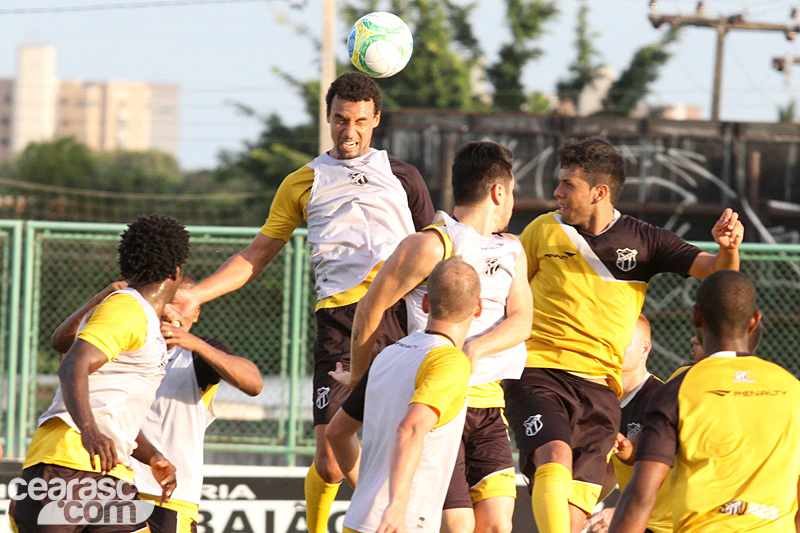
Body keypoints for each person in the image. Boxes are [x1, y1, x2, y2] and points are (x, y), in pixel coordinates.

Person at [176, 71, 435, 533]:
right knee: (332, 458)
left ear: (376, 120)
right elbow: (255, 256)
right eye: (339, 120)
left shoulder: (404, 177)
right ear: (327, 117)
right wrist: (197, 291)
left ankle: (390, 518)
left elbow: (433, 249)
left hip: (399, 318)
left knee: (397, 439)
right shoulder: (304, 181)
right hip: (340, 320)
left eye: (359, 121)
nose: (349, 131)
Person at [504, 137, 745, 533]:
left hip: (601, 390)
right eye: (559, 182)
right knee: (554, 455)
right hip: (540, 371)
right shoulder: (541, 230)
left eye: (568, 184)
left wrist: (729, 248)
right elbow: (510, 298)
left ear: (599, 192)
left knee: (570, 517)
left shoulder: (646, 241)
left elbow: (719, 274)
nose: (557, 192)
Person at [330, 140, 532, 533]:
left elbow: (523, 320)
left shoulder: (511, 249)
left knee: (497, 525)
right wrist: (359, 373)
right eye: (512, 193)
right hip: (437, 399)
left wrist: (473, 350)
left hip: (489, 400)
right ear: (498, 192)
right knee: (455, 525)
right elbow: (370, 307)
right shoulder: (431, 243)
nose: (512, 204)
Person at [10, 214, 190, 532]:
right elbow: (72, 364)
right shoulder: (127, 309)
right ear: (176, 271)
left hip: (109, 470)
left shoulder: (137, 315)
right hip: (69, 461)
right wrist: (89, 430)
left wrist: (153, 456)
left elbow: (114, 404)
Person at [52, 275, 264, 533]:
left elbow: (253, 383)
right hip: (109, 484)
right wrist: (101, 297)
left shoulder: (195, 355)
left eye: (180, 303)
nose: (169, 310)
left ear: (197, 312)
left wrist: (192, 342)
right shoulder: (121, 344)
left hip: (167, 499)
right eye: (166, 301)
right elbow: (63, 344)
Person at [608, 270, 800, 532]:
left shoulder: (677, 391)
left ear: (697, 316)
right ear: (754, 321)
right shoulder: (792, 388)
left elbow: (641, 496)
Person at [332, 257, 481, 533]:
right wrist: (396, 507)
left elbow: (337, 432)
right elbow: (411, 428)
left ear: (426, 304)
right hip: (402, 523)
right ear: (478, 308)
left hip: (359, 520)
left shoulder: (389, 354)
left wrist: (368, 491)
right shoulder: (451, 361)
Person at [584, 315, 671, 533]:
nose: (614, 348)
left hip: (671, 524)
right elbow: (610, 471)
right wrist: (577, 509)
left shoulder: (661, 399)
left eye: (623, 341)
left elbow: (670, 472)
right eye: (610, 340)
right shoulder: (601, 399)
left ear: (645, 348)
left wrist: (619, 512)